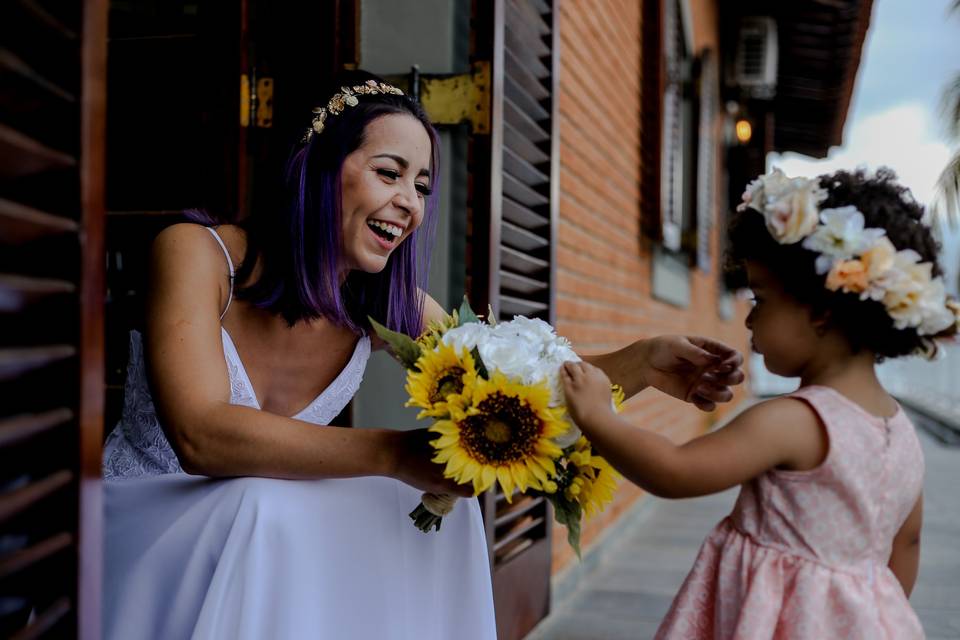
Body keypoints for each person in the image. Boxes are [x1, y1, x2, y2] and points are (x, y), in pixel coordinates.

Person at [101, 70, 745, 640]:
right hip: (144, 519)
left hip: (256, 532)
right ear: (318, 167)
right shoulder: (199, 253)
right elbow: (202, 435)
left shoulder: (385, 304)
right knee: (271, 506)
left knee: (437, 518)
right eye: (389, 173)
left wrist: (646, 362)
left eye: (422, 184)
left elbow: (524, 389)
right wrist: (395, 454)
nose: (410, 202)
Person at [561, 168, 959, 640]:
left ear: (821, 311)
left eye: (761, 297)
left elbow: (675, 470)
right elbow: (906, 543)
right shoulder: (900, 429)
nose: (749, 318)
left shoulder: (795, 420)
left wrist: (596, 414)